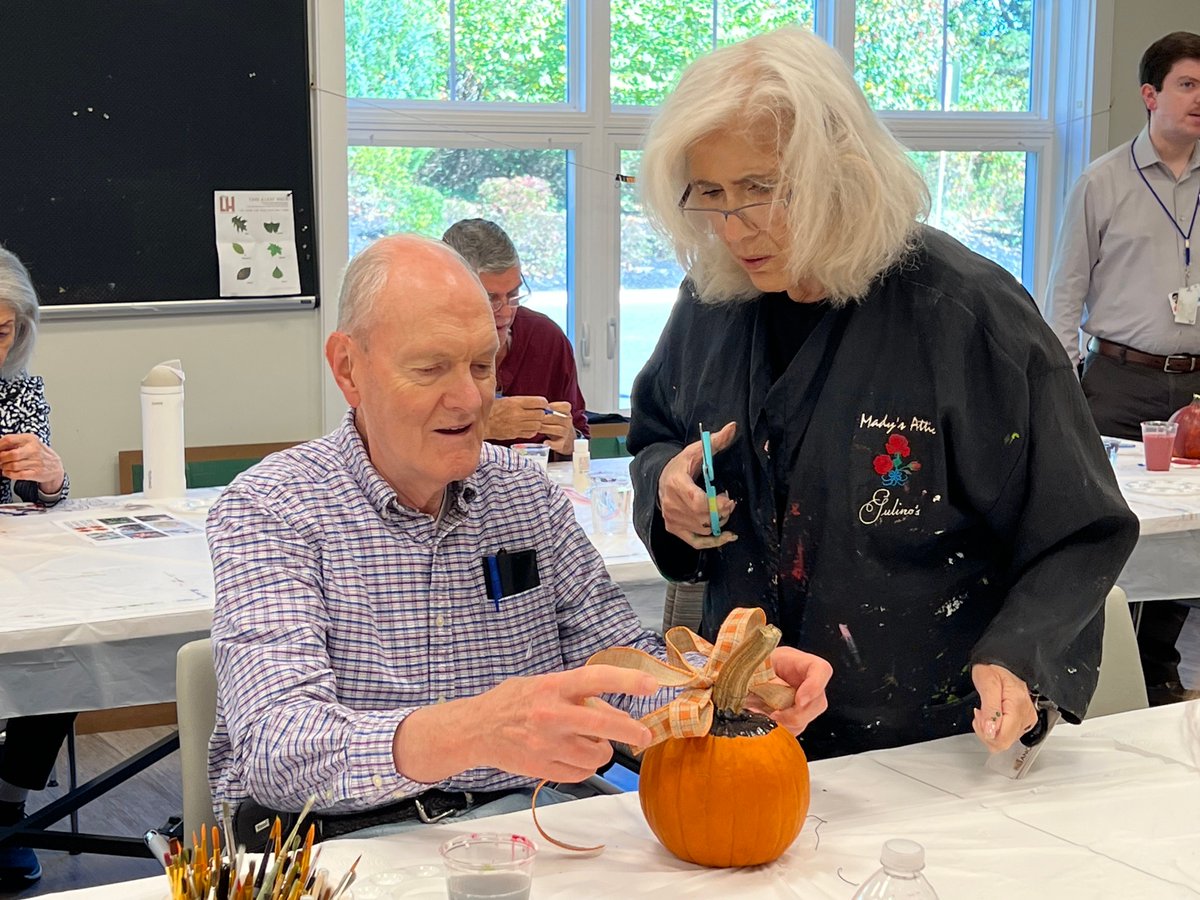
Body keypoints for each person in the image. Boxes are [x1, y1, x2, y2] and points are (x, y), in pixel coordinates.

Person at [627, 27, 1140, 762]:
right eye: (711, 194)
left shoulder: (967, 314)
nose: (736, 226)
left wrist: (1021, 656)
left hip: (928, 743)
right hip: (744, 729)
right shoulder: (711, 304)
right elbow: (655, 439)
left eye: (763, 189)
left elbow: (1079, 529)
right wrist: (666, 488)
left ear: (842, 168)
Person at [206, 234, 831, 836]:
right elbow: (276, 749)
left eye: (482, 366)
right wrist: (473, 732)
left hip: (532, 822)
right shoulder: (272, 510)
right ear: (348, 368)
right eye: (429, 369)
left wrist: (726, 684)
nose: (468, 399)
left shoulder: (526, 496)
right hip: (345, 838)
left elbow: (618, 666)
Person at [1044, 31, 1200, 706]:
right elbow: (1064, 295)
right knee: (1111, 525)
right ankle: (1100, 672)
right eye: (1188, 85)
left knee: (1192, 530)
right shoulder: (1101, 181)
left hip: (1193, 380)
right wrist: (1060, 392)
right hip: (1115, 380)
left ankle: (1158, 663)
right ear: (1150, 95)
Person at [0, 246, 71, 888]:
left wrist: (49, 476)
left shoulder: (18, 389)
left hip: (14, 568)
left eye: (2, 331)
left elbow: (36, 497)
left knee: (65, 651)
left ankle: (7, 806)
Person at [442, 219, 587, 459]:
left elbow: (581, 435)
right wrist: (482, 425)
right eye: (491, 298)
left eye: (513, 294)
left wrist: (571, 440)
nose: (507, 312)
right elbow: (393, 442)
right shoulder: (422, 346)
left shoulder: (546, 339)